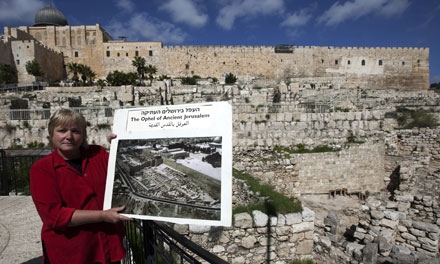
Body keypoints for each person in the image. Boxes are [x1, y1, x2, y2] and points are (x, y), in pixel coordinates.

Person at [30, 108, 132, 264]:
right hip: (72, 252)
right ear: (52, 134)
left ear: (83, 135)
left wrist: (122, 145)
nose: (69, 136)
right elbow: (55, 216)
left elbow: (124, 171)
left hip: (107, 245)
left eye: (75, 131)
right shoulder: (42, 169)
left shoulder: (98, 154)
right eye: (62, 130)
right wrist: (103, 215)